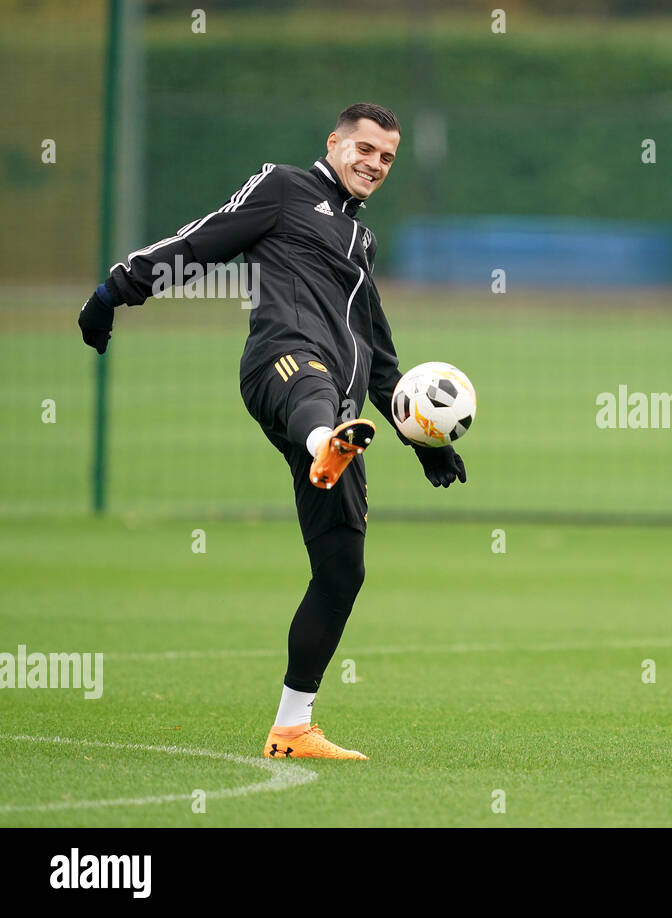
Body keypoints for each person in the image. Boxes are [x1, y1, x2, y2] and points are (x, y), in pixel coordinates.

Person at [78, 103, 466, 760]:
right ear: (335, 143)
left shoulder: (360, 242)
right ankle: (326, 445)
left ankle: (292, 728)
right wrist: (118, 289)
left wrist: (422, 440)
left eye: (387, 158)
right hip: (281, 367)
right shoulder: (284, 188)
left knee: (342, 571)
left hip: (344, 413)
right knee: (314, 388)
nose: (374, 164)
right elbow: (201, 241)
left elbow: (380, 350)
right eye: (365, 149)